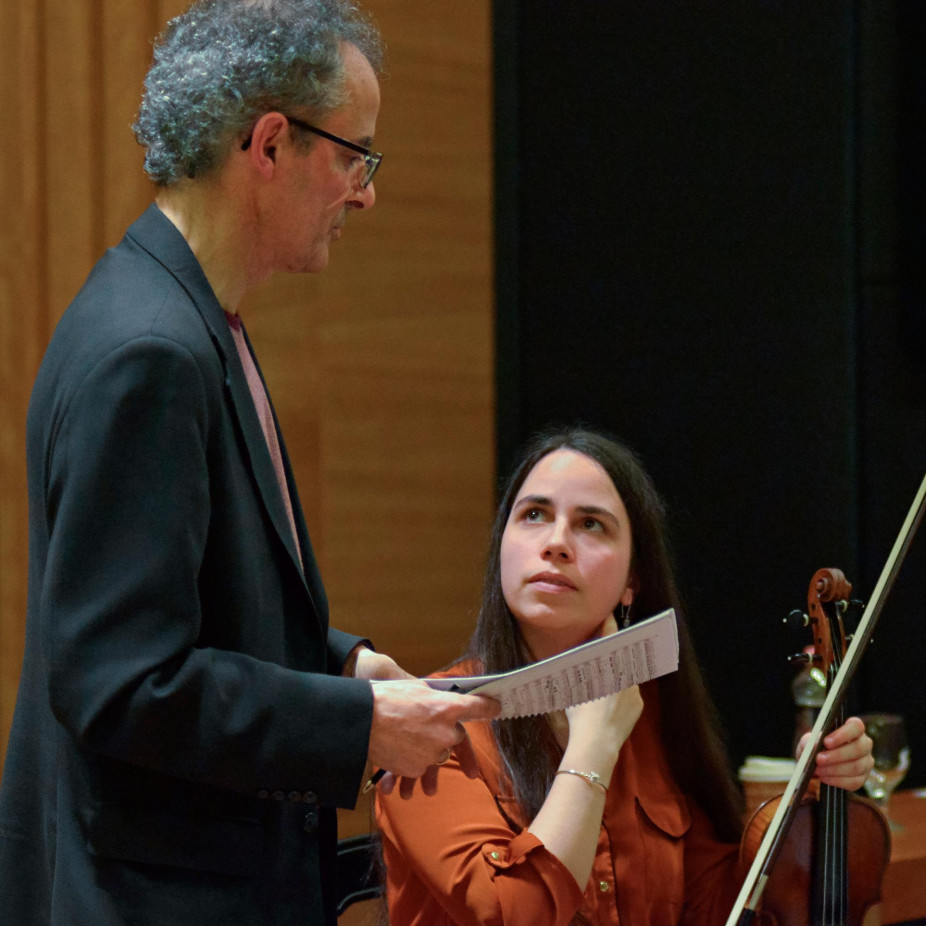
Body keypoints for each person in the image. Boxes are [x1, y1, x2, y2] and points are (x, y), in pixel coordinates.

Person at [0, 2, 497, 924]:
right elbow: (121, 682)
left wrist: (340, 668)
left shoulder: (189, 318)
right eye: (355, 155)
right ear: (270, 144)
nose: (366, 191)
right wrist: (358, 729)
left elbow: (201, 612)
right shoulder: (150, 352)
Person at [375, 428, 875, 926]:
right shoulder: (428, 723)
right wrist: (594, 742)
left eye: (591, 524)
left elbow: (710, 907)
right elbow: (511, 916)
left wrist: (807, 801)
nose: (556, 543)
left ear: (632, 583)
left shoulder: (650, 710)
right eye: (534, 515)